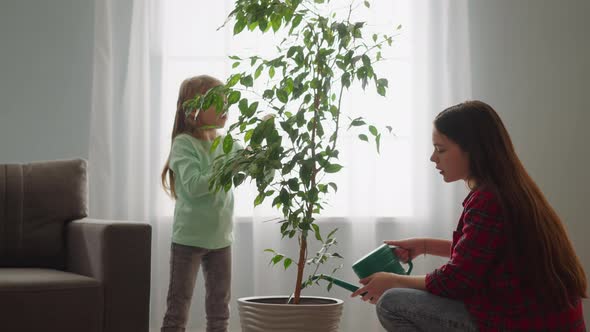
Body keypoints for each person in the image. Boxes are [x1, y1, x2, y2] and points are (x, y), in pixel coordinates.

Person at [351, 100, 587, 331]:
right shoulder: (510, 189)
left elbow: (457, 281)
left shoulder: (488, 200)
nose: (433, 158)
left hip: (522, 323)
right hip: (548, 321)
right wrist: (424, 245)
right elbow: (488, 254)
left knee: (392, 303)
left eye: (441, 149)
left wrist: (393, 280)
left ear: (473, 150)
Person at [160, 75, 239, 332]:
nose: (226, 107)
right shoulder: (184, 144)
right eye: (219, 101)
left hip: (221, 238)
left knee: (220, 312)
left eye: (227, 100)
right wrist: (232, 163)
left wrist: (266, 147)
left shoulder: (226, 144)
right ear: (195, 109)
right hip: (189, 239)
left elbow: (250, 170)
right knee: (177, 312)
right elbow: (194, 186)